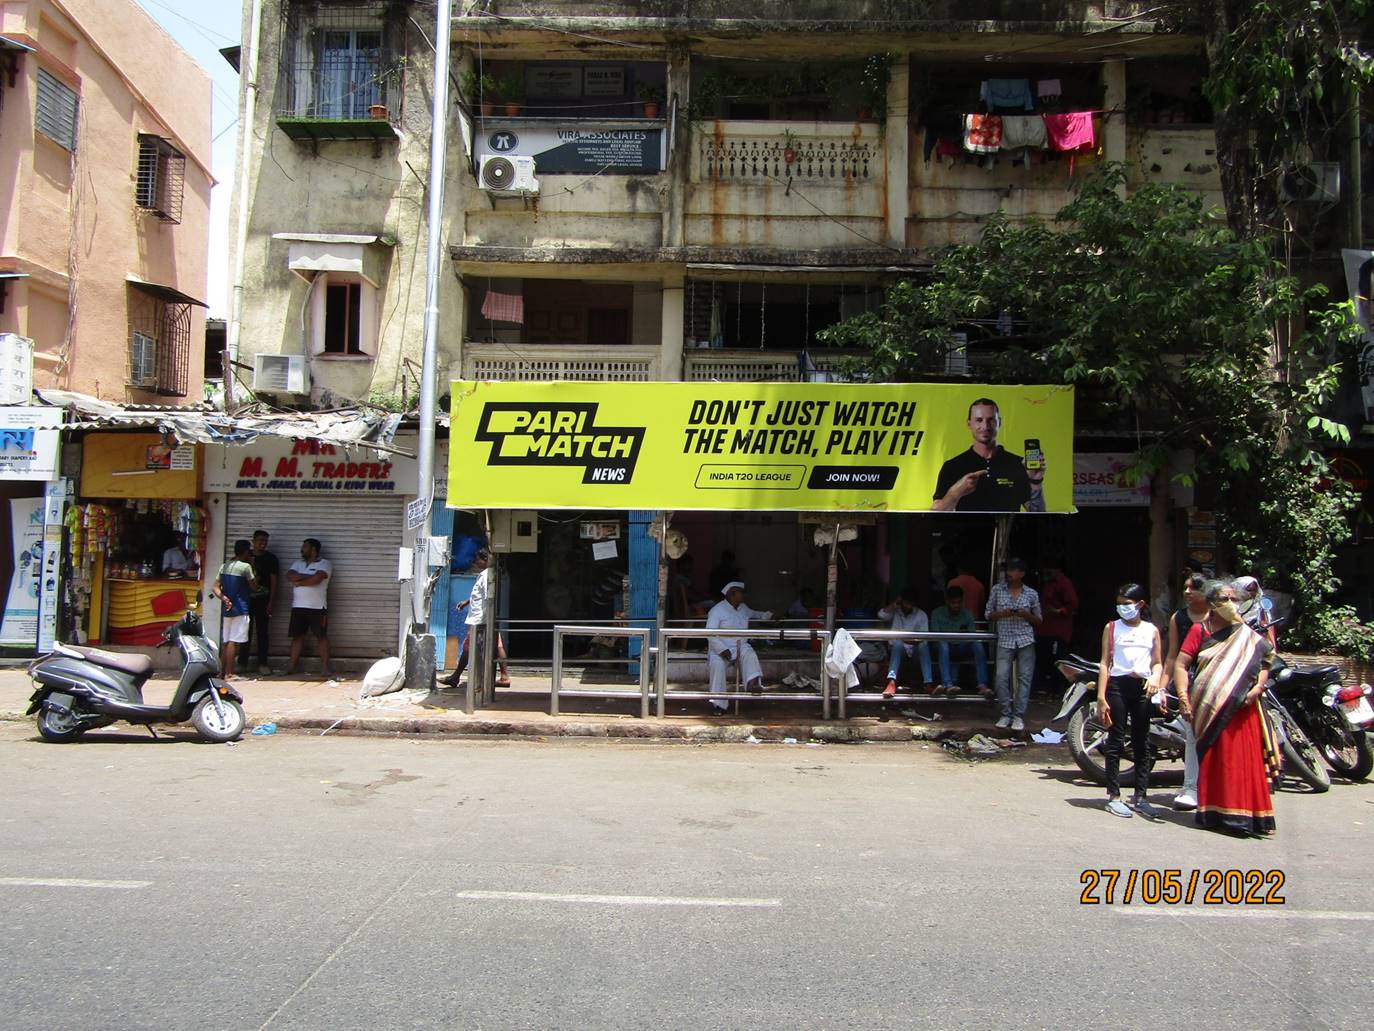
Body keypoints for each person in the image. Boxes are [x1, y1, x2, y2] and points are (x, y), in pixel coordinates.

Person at [1173, 580, 1278, 838]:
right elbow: (1181, 664)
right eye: (1224, 600)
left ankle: (1243, 816)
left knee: (1242, 759)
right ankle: (1215, 813)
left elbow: (1265, 663)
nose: (1231, 605)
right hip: (1208, 706)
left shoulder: (1248, 635)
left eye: (1234, 599)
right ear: (1211, 604)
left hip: (1243, 706)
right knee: (1215, 759)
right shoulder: (1201, 631)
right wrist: (1183, 698)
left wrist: (1257, 689)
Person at [1096, 583, 1165, 819]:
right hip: (1117, 685)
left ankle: (1141, 796)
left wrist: (1156, 677)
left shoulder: (1151, 630)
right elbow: (1105, 662)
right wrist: (1101, 697)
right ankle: (1113, 796)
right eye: (1119, 604)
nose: (1122, 608)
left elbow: (1157, 662)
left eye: (1127, 604)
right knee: (1115, 740)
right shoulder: (1112, 628)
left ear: (1140, 604)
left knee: (1141, 741)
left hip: (1143, 687)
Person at [931, 398, 1046, 512]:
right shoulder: (953, 466)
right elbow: (935, 514)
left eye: (991, 420)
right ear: (969, 423)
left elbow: (1037, 515)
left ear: (999, 422)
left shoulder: (1017, 464)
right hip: (965, 530)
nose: (985, 426)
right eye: (979, 420)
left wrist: (1036, 482)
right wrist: (957, 492)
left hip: (1007, 530)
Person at [1164, 572, 1210, 811]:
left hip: (1218, 682)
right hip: (1191, 682)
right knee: (1192, 736)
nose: (1187, 592)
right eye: (1185, 588)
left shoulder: (1223, 618)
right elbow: (1174, 657)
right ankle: (1190, 787)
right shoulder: (1180, 619)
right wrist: (1163, 686)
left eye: (1194, 588)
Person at [441, 548, 510, 689]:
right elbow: (480, 596)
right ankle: (503, 676)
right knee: (496, 645)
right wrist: (467, 601)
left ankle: (456, 677)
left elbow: (487, 597)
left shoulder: (486, 576)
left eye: (477, 560)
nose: (475, 563)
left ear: (484, 560)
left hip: (480, 619)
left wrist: (486, 620)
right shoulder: (487, 575)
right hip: (484, 619)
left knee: (469, 647)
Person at [985, 558, 1041, 731]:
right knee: (1001, 677)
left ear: (1022, 574)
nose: (1009, 573)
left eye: (1014, 570)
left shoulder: (1031, 593)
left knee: (1024, 678)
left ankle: (1018, 715)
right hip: (1005, 639)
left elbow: (1039, 620)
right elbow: (988, 614)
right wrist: (1002, 613)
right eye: (1009, 570)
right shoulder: (997, 590)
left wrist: (1026, 615)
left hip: (1025, 638)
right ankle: (1005, 713)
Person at [705, 581, 773, 714]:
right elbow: (710, 633)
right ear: (731, 594)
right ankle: (719, 704)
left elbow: (755, 614)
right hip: (720, 649)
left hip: (740, 646)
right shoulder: (717, 610)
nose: (743, 595)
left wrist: (768, 615)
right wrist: (722, 649)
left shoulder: (743, 608)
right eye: (740, 593)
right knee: (717, 666)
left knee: (750, 654)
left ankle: (754, 684)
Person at [285, 537, 332, 679]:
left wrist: (299, 582)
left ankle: (325, 668)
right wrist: (307, 577)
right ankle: (291, 667)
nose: (302, 549)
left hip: (317, 607)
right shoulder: (297, 563)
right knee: (297, 637)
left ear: (313, 549)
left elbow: (317, 579)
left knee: (321, 637)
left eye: (305, 546)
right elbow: (289, 576)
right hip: (298, 607)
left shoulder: (325, 563)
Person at [930, 585, 989, 696]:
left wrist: (961, 640)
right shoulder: (937, 613)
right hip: (942, 648)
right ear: (947, 601)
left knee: (978, 644)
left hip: (961, 646)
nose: (956, 605)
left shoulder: (967, 614)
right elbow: (936, 637)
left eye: (959, 602)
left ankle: (982, 684)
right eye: (953, 603)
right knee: (943, 644)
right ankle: (948, 684)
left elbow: (972, 636)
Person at [212, 539, 257, 683]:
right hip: (240, 607)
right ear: (245, 552)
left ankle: (222, 673)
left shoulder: (224, 566)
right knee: (234, 641)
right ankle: (229, 674)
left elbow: (215, 588)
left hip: (228, 608)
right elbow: (254, 586)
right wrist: (253, 565)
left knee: (226, 641)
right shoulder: (245, 567)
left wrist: (224, 598)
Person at [878, 589, 933, 698]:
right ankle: (891, 682)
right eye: (906, 603)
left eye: (910, 604)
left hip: (915, 649)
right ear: (901, 602)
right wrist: (895, 604)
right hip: (898, 649)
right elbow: (881, 615)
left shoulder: (921, 615)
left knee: (923, 646)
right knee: (897, 643)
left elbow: (923, 638)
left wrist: (905, 639)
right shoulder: (896, 611)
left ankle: (928, 683)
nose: (908, 606)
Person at [1035, 562, 1078, 691]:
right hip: (1044, 629)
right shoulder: (1045, 583)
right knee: (1044, 657)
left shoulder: (1064, 583)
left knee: (1058, 659)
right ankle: (1046, 686)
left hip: (1058, 630)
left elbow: (1073, 604)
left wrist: (1058, 611)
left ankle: (1057, 688)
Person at [243, 529, 278, 675]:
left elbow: (274, 581)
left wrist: (271, 601)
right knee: (245, 631)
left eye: (265, 541)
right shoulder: (245, 556)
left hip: (263, 600)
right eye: (260, 541)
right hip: (246, 599)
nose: (262, 544)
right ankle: (242, 662)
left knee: (263, 631)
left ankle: (262, 663)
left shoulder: (271, 558)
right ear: (253, 541)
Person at [1233, 575, 1276, 646]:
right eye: (1249, 590)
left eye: (1254, 590)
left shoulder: (1260, 606)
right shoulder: (1231, 606)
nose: (1252, 593)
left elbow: (1267, 626)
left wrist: (1272, 646)